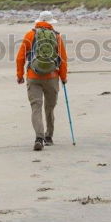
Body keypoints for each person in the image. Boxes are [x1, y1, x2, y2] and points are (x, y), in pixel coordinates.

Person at [16, 10, 68, 151]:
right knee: (49, 108)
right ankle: (49, 137)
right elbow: (62, 60)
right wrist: (63, 78)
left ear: (38, 21)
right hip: (52, 77)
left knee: (36, 108)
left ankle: (39, 138)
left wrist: (20, 75)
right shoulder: (57, 37)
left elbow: (20, 58)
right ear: (51, 23)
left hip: (33, 76)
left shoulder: (30, 35)